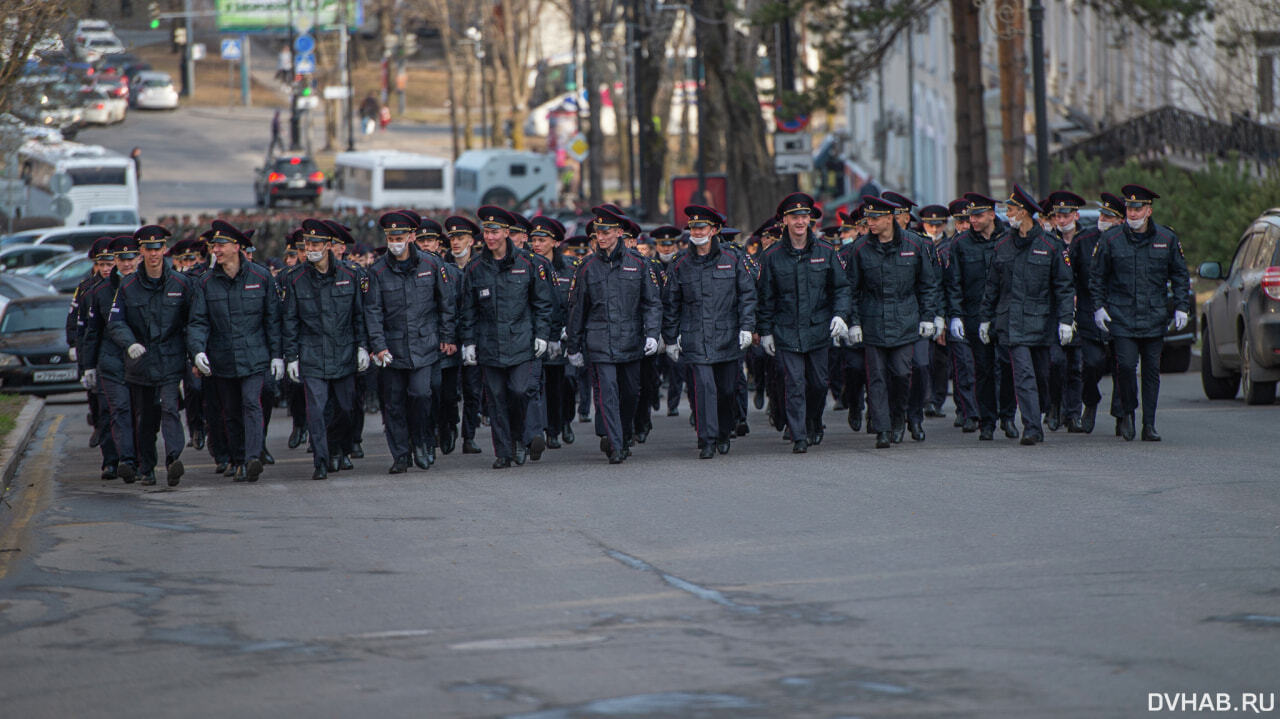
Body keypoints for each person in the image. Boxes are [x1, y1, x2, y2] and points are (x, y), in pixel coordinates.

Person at [1089, 184, 1190, 441]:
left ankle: (1150, 424)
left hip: (1154, 316)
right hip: (1121, 317)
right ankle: (1129, 413)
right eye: (1129, 209)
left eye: (1138, 209)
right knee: (1124, 366)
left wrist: (1181, 307)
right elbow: (1097, 277)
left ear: (1148, 210)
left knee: (1151, 372)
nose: (1133, 214)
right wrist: (1099, 307)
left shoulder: (1166, 239)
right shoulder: (1111, 239)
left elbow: (1179, 275)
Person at [977, 186, 1075, 445]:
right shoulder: (1003, 246)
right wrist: (985, 318)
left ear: (1023, 212)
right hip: (1012, 322)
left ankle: (1042, 408)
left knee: (1043, 374)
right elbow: (992, 286)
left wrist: (1066, 320)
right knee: (1023, 375)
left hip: (1042, 322)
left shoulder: (1050, 246)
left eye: (1009, 210)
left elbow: (1064, 288)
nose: (1006, 214)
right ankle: (1032, 427)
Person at [564, 205, 662, 464]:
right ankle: (616, 444)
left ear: (619, 232)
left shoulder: (638, 264)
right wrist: (573, 346)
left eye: (606, 232)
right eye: (598, 232)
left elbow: (651, 302)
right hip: (599, 342)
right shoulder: (587, 267)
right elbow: (577, 308)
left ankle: (625, 431)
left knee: (630, 393)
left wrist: (652, 333)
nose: (602, 237)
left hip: (631, 340)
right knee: (607, 393)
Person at [187, 220, 283, 483]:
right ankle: (239, 459)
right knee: (230, 411)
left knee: (252, 403)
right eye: (214, 245)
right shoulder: (206, 282)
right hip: (222, 358)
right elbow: (198, 322)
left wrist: (277, 355)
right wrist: (197, 352)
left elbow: (272, 320)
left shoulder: (261, 277)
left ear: (237, 247)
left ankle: (253, 457)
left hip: (255, 356)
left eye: (221, 245)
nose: (215, 250)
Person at [755, 192, 851, 453]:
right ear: (784, 221)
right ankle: (798, 435)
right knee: (794, 383)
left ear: (811, 220)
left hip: (818, 329)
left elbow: (841, 288)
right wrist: (765, 332)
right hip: (786, 331)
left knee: (819, 383)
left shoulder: (826, 251)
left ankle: (813, 422)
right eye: (794, 217)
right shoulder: (772, 256)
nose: (800, 221)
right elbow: (765, 298)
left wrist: (841, 316)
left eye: (804, 216)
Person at [458, 208, 553, 468]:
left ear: (507, 233)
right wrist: (469, 342)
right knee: (497, 400)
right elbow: (468, 310)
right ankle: (504, 451)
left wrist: (542, 335)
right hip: (490, 344)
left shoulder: (528, 263)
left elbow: (542, 304)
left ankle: (522, 439)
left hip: (522, 342)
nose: (490, 237)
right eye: (487, 231)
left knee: (520, 392)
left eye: (495, 231)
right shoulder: (476, 267)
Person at [845, 196, 942, 448]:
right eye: (868, 219)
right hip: (873, 320)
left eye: (875, 218)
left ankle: (900, 417)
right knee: (876, 377)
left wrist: (929, 317)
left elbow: (928, 285)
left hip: (905, 320)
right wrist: (853, 322)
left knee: (902, 374)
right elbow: (851, 290)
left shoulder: (915, 244)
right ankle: (883, 429)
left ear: (890, 218)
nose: (871, 223)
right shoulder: (860, 248)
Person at [364, 210, 457, 474]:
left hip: (424, 345)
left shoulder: (431, 265)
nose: (395, 241)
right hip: (392, 348)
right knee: (394, 405)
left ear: (412, 236)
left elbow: (445, 303)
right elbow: (372, 312)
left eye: (400, 236)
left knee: (421, 395)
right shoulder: (378, 270)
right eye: (391, 236)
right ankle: (401, 455)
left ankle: (423, 442)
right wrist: (378, 346)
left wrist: (448, 336)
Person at [662, 205, 757, 458]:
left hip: (727, 336)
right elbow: (671, 303)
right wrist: (670, 339)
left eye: (702, 227)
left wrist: (747, 327)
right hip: (695, 337)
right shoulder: (680, 263)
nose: (697, 231)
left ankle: (724, 432)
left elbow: (747, 296)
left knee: (726, 390)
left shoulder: (733, 259)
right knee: (704, 388)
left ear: (714, 230)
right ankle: (706, 439)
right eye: (693, 227)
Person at [105, 225, 194, 486]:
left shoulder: (180, 283)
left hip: (170, 358)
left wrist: (194, 353)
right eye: (148, 249)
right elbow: (116, 321)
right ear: (141, 251)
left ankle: (174, 459)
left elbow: (193, 320)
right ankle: (147, 468)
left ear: (165, 250)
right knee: (145, 417)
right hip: (140, 363)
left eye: (158, 248)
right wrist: (129, 343)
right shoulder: (128, 285)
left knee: (170, 409)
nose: (154, 254)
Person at [282, 219, 370, 479]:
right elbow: (290, 320)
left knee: (345, 408)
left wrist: (363, 347)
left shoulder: (350, 275)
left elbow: (358, 316)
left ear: (330, 246)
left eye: (317, 243)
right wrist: (291, 357)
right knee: (317, 411)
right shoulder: (295, 279)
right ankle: (320, 460)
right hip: (311, 354)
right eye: (308, 243)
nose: (311, 248)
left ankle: (334, 447)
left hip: (343, 352)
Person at [946, 192, 1016, 440]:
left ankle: (1007, 416)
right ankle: (987, 421)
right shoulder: (961, 244)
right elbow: (954, 283)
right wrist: (955, 316)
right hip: (975, 315)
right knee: (983, 370)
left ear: (990, 214)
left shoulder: (1010, 238)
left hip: (1006, 314)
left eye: (977, 215)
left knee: (1008, 367)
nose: (972, 220)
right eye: (969, 216)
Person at [80, 236, 138, 481]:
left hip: (136, 361)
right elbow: (89, 332)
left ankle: (137, 458)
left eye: (109, 264)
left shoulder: (138, 285)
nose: (106, 269)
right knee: (111, 412)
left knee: (137, 412)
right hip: (109, 361)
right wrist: (87, 367)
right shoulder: (92, 291)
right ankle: (113, 461)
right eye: (102, 264)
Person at [528, 216, 576, 449]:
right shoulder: (527, 266)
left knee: (562, 383)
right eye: (534, 240)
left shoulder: (569, 268)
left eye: (542, 240)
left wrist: (569, 329)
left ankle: (560, 424)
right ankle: (543, 428)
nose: (537, 244)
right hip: (536, 334)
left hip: (563, 336)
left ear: (555, 242)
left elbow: (575, 303)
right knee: (535, 384)